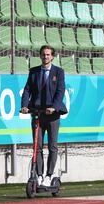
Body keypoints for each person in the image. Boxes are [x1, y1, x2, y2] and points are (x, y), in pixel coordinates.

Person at [21, 45, 68, 187]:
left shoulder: (58, 72)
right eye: (43, 54)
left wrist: (54, 107)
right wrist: (24, 105)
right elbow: (27, 90)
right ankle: (39, 175)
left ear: (52, 56)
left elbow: (60, 91)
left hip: (52, 114)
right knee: (37, 146)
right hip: (37, 113)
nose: (45, 57)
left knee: (52, 146)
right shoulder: (34, 72)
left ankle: (49, 175)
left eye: (48, 55)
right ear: (40, 56)